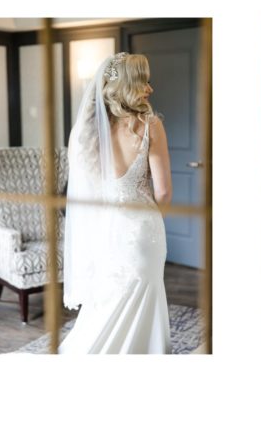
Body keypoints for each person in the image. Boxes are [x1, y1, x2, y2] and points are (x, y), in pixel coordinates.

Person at [60, 53, 173, 354]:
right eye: (142, 81)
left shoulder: (86, 134)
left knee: (107, 303)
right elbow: (163, 193)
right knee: (144, 301)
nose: (149, 88)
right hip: (144, 233)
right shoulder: (151, 126)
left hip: (106, 233)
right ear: (126, 86)